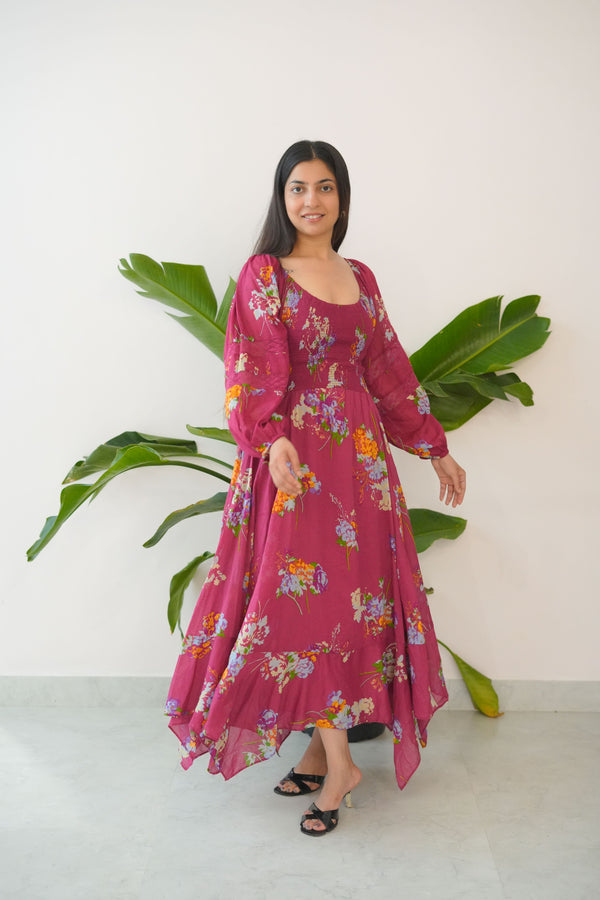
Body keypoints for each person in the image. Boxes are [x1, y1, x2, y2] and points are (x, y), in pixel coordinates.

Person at [165, 140, 466, 836]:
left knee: (344, 608)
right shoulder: (263, 275)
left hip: (359, 469)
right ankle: (343, 765)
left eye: (325, 187)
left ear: (342, 198)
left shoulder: (360, 273)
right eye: (298, 188)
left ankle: (320, 753)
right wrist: (270, 442)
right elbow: (248, 371)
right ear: (282, 197)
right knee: (298, 610)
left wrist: (434, 447)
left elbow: (389, 368)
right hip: (291, 466)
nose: (311, 201)